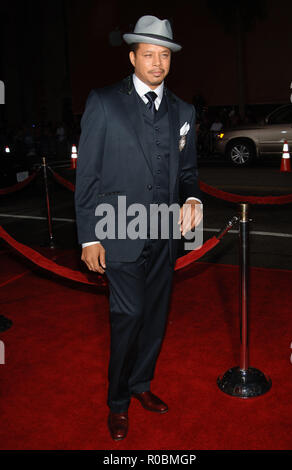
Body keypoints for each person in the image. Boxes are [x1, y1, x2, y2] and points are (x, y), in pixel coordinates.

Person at [75, 15, 203, 441]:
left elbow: (187, 172)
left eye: (164, 54)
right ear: (133, 57)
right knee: (127, 314)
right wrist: (89, 235)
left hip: (165, 233)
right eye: (148, 54)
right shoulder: (105, 102)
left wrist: (192, 196)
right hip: (118, 231)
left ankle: (141, 384)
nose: (157, 62)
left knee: (155, 316)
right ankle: (118, 402)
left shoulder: (183, 111)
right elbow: (88, 175)